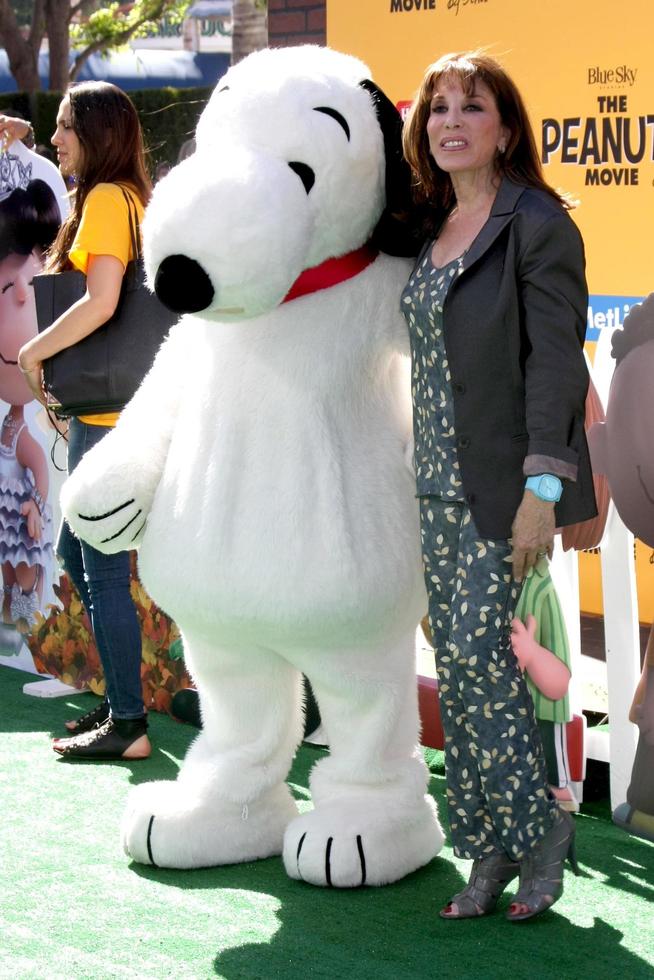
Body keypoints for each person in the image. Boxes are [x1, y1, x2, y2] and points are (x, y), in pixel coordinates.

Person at [400, 51, 596, 921]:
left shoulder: (537, 224)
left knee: (485, 671)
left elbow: (555, 364)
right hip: (429, 488)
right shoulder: (429, 225)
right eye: (438, 107)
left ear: (506, 129)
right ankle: (486, 849)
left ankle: (542, 831)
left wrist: (542, 491)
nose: (451, 120)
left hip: (501, 489)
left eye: (470, 107)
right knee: (459, 671)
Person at [17, 82, 153, 761]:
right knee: (81, 554)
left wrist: (32, 349)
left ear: (97, 133)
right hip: (118, 412)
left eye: (67, 126)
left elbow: (101, 301)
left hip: (110, 415)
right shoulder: (129, 197)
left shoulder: (105, 199)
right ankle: (120, 704)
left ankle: (128, 724)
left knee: (99, 566)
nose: (56, 139)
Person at [0, 178, 60, 626]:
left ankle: (20, 628)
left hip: (23, 522)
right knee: (10, 574)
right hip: (9, 519)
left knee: (22, 575)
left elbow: (40, 469)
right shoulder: (10, 425)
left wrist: (35, 507)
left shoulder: (27, 434)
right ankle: (13, 627)